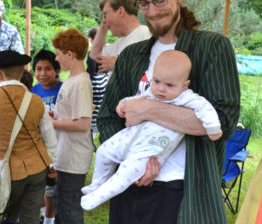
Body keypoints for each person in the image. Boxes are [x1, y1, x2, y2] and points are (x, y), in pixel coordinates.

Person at [97, 0, 240, 224]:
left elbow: (224, 123)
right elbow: (106, 118)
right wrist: (133, 161)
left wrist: (148, 108)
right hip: (129, 187)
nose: (151, 11)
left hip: (183, 192)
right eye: (143, 3)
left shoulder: (211, 48)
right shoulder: (130, 56)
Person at [81, 50, 222, 210]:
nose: (161, 89)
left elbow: (207, 110)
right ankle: (96, 185)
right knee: (102, 153)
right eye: (157, 81)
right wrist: (123, 103)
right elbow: (137, 99)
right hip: (127, 139)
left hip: (148, 151)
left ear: (184, 85)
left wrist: (213, 129)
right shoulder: (152, 91)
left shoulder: (187, 98)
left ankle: (97, 197)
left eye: (169, 85)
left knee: (125, 174)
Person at [0, 50, 57, 224]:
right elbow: (50, 140)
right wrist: (52, 165)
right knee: (30, 218)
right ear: (21, 72)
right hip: (38, 169)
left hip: (8, 172)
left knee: (8, 216)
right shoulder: (36, 101)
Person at [51, 29, 93, 224]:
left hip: (74, 160)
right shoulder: (72, 80)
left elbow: (83, 124)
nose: (57, 59)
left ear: (70, 54)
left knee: (70, 212)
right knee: (62, 207)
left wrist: (52, 123)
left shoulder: (81, 83)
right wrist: (55, 115)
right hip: (65, 156)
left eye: (59, 53)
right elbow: (72, 114)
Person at [31, 49, 62, 224]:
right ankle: (45, 216)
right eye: (39, 69)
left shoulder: (63, 89)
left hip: (56, 147)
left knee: (50, 190)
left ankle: (49, 221)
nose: (43, 73)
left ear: (57, 70)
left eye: (48, 68)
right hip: (36, 148)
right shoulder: (33, 90)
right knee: (38, 188)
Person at [89, 0, 151, 77]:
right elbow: (95, 54)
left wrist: (118, 65)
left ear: (120, 11)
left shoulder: (145, 35)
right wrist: (105, 25)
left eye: (105, 14)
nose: (103, 21)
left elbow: (152, 72)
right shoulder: (119, 43)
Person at [86, 27, 108, 136]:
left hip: (94, 83)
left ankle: (91, 133)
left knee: (91, 109)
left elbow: (90, 71)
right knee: (99, 108)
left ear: (91, 38)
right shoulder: (105, 51)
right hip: (104, 81)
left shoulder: (92, 53)